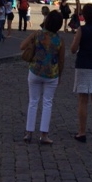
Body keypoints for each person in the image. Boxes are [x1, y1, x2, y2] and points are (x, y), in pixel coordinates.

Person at [20, 10, 65, 145]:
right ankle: (44, 135)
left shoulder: (37, 34)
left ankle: (29, 133)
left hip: (35, 72)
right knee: (47, 103)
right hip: (51, 74)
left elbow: (22, 46)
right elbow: (61, 61)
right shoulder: (59, 40)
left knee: (33, 101)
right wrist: (59, 76)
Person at [71, 3, 92, 142]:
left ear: (84, 16)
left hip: (83, 65)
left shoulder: (82, 29)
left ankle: (82, 132)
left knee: (83, 100)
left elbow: (73, 49)